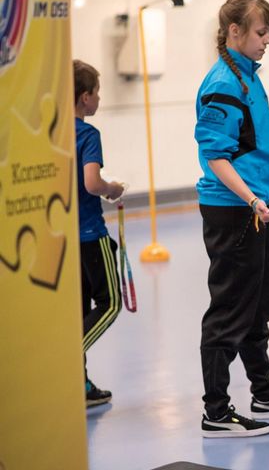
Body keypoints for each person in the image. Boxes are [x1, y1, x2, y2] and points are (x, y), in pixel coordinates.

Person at [194, 0, 269, 438]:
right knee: (230, 310)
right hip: (235, 212)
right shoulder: (223, 83)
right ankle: (216, 411)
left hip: (258, 209)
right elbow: (215, 156)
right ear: (235, 33)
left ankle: (263, 391)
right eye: (261, 32)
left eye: (268, 33)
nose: (267, 41)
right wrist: (250, 199)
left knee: (259, 306)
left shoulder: (246, 76)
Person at [74, 59, 125, 407]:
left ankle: (81, 386)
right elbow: (92, 183)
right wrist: (112, 188)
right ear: (84, 98)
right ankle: (66, 361)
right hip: (91, 234)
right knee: (110, 303)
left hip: (63, 238)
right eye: (97, 94)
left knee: (77, 311)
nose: (99, 100)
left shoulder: (49, 133)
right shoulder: (88, 135)